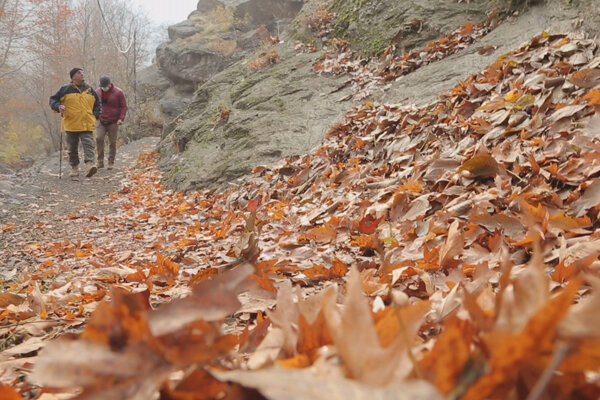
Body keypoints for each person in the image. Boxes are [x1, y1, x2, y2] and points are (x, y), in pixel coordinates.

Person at [49, 67, 100, 180]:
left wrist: (94, 116)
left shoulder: (90, 90)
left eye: (82, 72)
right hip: (71, 124)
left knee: (89, 145)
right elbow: (53, 100)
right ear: (73, 76)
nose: (82, 74)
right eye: (79, 73)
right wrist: (58, 106)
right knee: (72, 148)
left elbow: (98, 104)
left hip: (86, 123)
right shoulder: (65, 89)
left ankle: (90, 165)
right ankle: (74, 168)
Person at [95, 76, 127, 169]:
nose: (103, 88)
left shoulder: (118, 92)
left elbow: (124, 106)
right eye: (102, 87)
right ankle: (100, 161)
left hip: (114, 121)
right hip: (101, 120)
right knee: (98, 138)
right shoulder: (97, 92)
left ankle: (110, 161)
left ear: (109, 84)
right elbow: (93, 105)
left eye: (105, 86)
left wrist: (121, 118)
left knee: (112, 142)